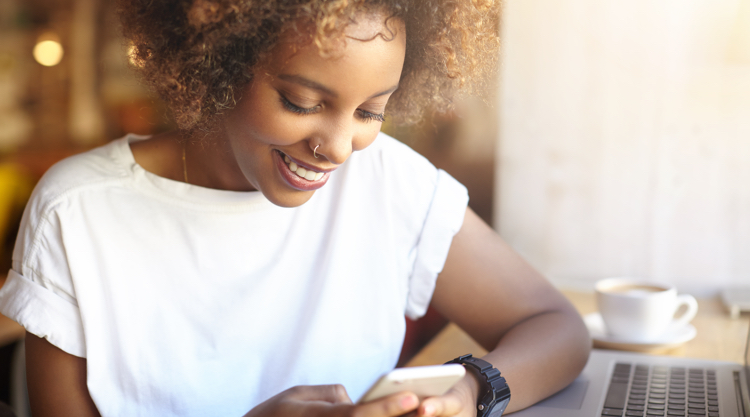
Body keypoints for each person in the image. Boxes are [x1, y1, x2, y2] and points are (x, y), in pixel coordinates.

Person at [0, 1, 591, 416]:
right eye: (302, 101)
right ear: (216, 62)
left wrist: (470, 389)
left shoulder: (388, 182)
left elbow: (556, 328)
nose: (337, 148)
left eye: (370, 112)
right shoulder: (77, 212)